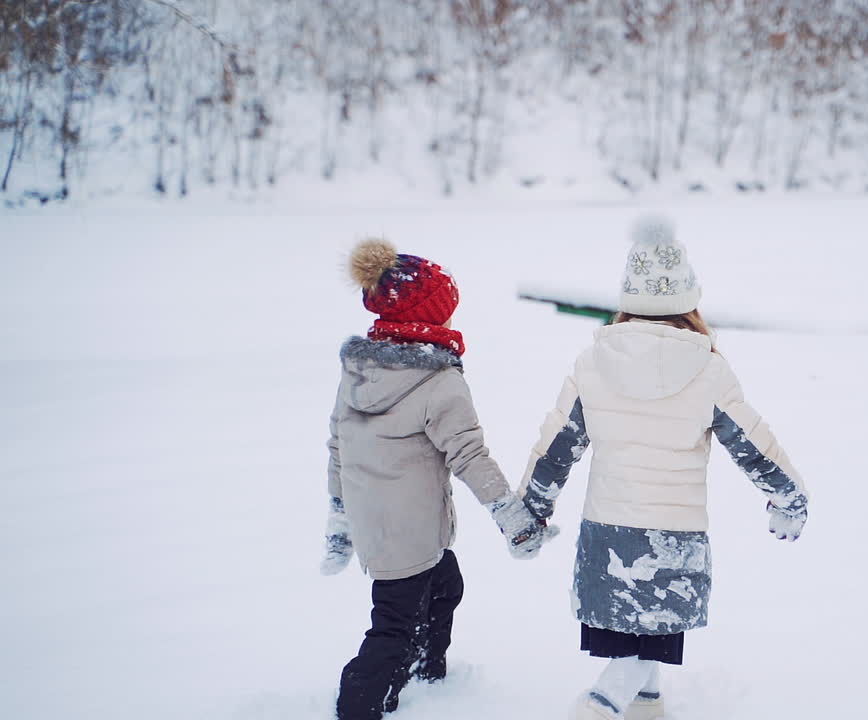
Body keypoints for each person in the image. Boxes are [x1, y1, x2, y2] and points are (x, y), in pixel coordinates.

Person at [518, 216, 810, 720]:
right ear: (689, 303)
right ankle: (598, 707)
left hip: (607, 535)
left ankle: (647, 710)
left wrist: (532, 508)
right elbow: (753, 446)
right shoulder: (708, 369)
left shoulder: (594, 362)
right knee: (641, 649)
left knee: (639, 645)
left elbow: (557, 446)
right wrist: (789, 498)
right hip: (673, 540)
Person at [320, 238, 552, 720]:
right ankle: (359, 703)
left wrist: (341, 517)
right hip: (410, 530)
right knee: (392, 625)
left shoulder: (359, 368)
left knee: (445, 586)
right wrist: (511, 515)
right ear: (429, 318)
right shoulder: (439, 380)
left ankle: (426, 675)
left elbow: (338, 446)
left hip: (378, 523)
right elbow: (469, 454)